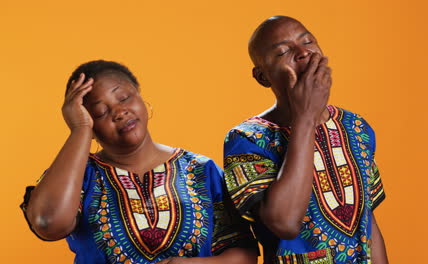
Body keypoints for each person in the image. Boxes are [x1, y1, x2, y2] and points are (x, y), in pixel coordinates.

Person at [21, 60, 258, 264]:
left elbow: (245, 254)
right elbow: (48, 224)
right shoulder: (78, 176)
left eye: (124, 97)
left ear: (140, 95)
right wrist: (80, 129)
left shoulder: (200, 170)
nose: (119, 112)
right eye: (101, 112)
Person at [223, 16, 388, 264]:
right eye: (282, 52)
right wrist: (305, 118)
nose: (302, 53)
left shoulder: (355, 126)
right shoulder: (246, 139)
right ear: (262, 77)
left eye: (308, 41)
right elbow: (285, 223)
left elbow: (368, 223)